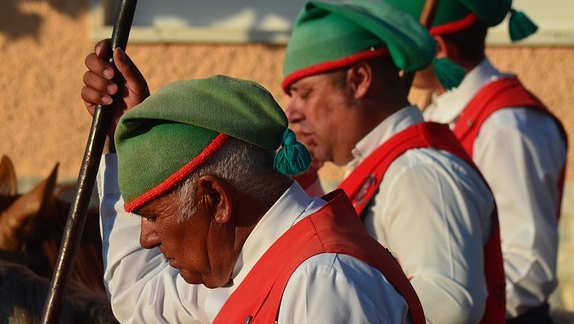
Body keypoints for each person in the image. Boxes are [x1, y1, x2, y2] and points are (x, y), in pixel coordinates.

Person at [81, 43, 425, 323]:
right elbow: (138, 296)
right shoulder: (248, 266)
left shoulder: (319, 281)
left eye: (154, 216)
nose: (146, 239)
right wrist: (124, 144)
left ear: (216, 199)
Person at [282, 0, 504, 324]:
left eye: (305, 93)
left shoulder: (417, 171)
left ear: (359, 80)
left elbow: (451, 304)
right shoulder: (385, 164)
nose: (292, 112)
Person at [383, 0, 568, 323]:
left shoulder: (506, 127)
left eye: (399, 44)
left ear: (436, 49)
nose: (390, 56)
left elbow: (527, 268)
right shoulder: (440, 109)